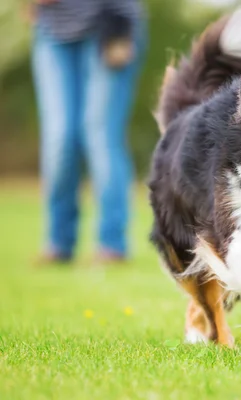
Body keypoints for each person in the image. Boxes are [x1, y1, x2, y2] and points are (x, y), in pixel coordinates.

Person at [30, 0, 146, 264]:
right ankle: (59, 242)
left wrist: (122, 30)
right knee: (60, 138)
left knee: (101, 134)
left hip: (111, 22)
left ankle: (112, 243)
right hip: (53, 31)